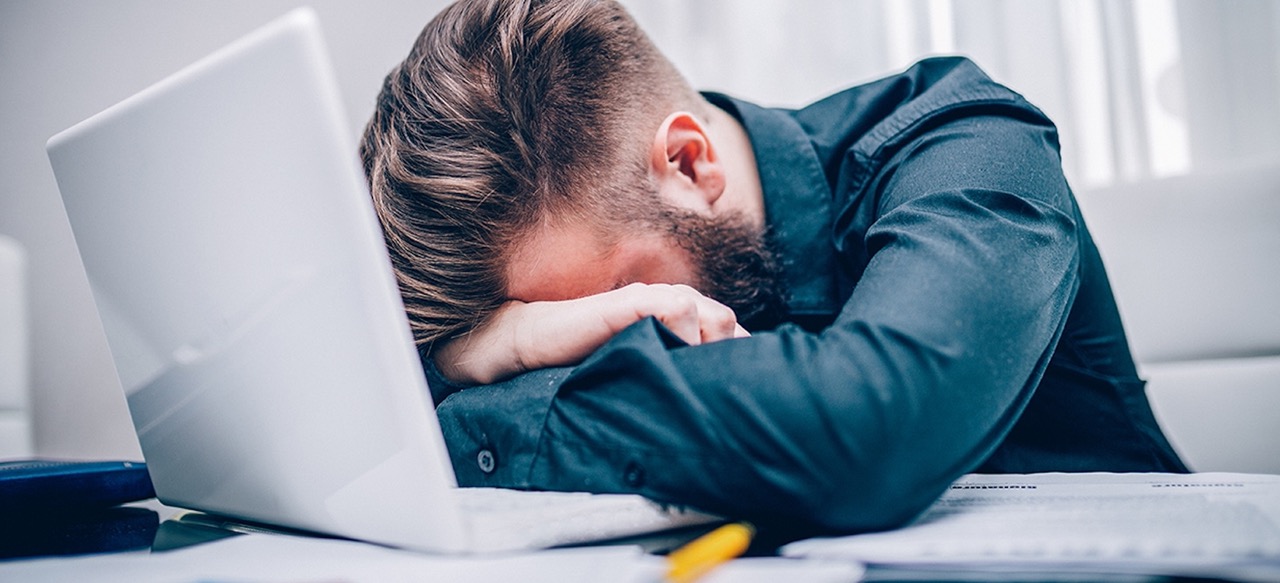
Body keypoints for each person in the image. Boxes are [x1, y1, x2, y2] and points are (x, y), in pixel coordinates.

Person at [359, 0, 1187, 535]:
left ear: (688, 161)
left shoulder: (968, 144)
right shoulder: (535, 295)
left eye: (616, 307)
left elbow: (865, 423)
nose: (591, 348)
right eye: (556, 342)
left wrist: (469, 411)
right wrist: (494, 347)